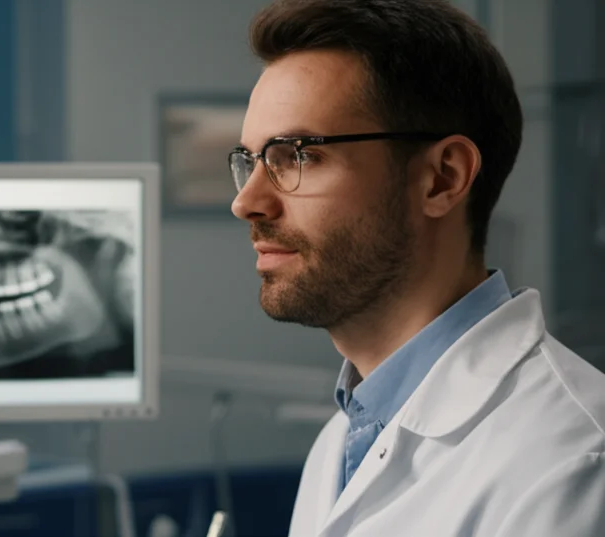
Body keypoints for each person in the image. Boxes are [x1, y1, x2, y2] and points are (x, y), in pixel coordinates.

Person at [229, 1, 605, 535]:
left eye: (298, 155)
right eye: (250, 161)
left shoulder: (570, 465)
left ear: (442, 179)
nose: (247, 202)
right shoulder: (338, 445)